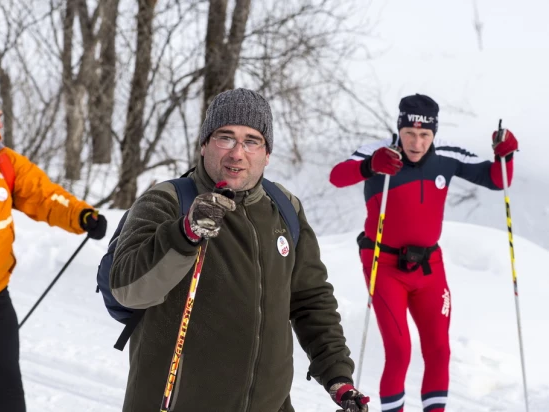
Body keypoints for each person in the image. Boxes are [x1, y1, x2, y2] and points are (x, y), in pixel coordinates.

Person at [110, 88, 370, 412]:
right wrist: (185, 233)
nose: (237, 153)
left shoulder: (284, 209)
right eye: (226, 137)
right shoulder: (167, 201)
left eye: (251, 141)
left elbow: (310, 298)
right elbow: (128, 288)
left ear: (267, 153)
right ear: (204, 143)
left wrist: (337, 376)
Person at [329, 94, 518, 412]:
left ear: (434, 133)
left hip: (430, 267)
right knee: (399, 350)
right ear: (399, 129)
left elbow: (497, 179)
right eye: (409, 134)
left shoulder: (447, 154)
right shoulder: (380, 153)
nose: (416, 143)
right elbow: (337, 176)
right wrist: (369, 165)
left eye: (424, 135)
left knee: (439, 350)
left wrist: (507, 154)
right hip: (384, 265)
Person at [0, 75, 108, 412]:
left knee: (8, 384)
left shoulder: (5, 162)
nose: (0, 124)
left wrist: (82, 215)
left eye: (0, 116)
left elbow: (45, 195)